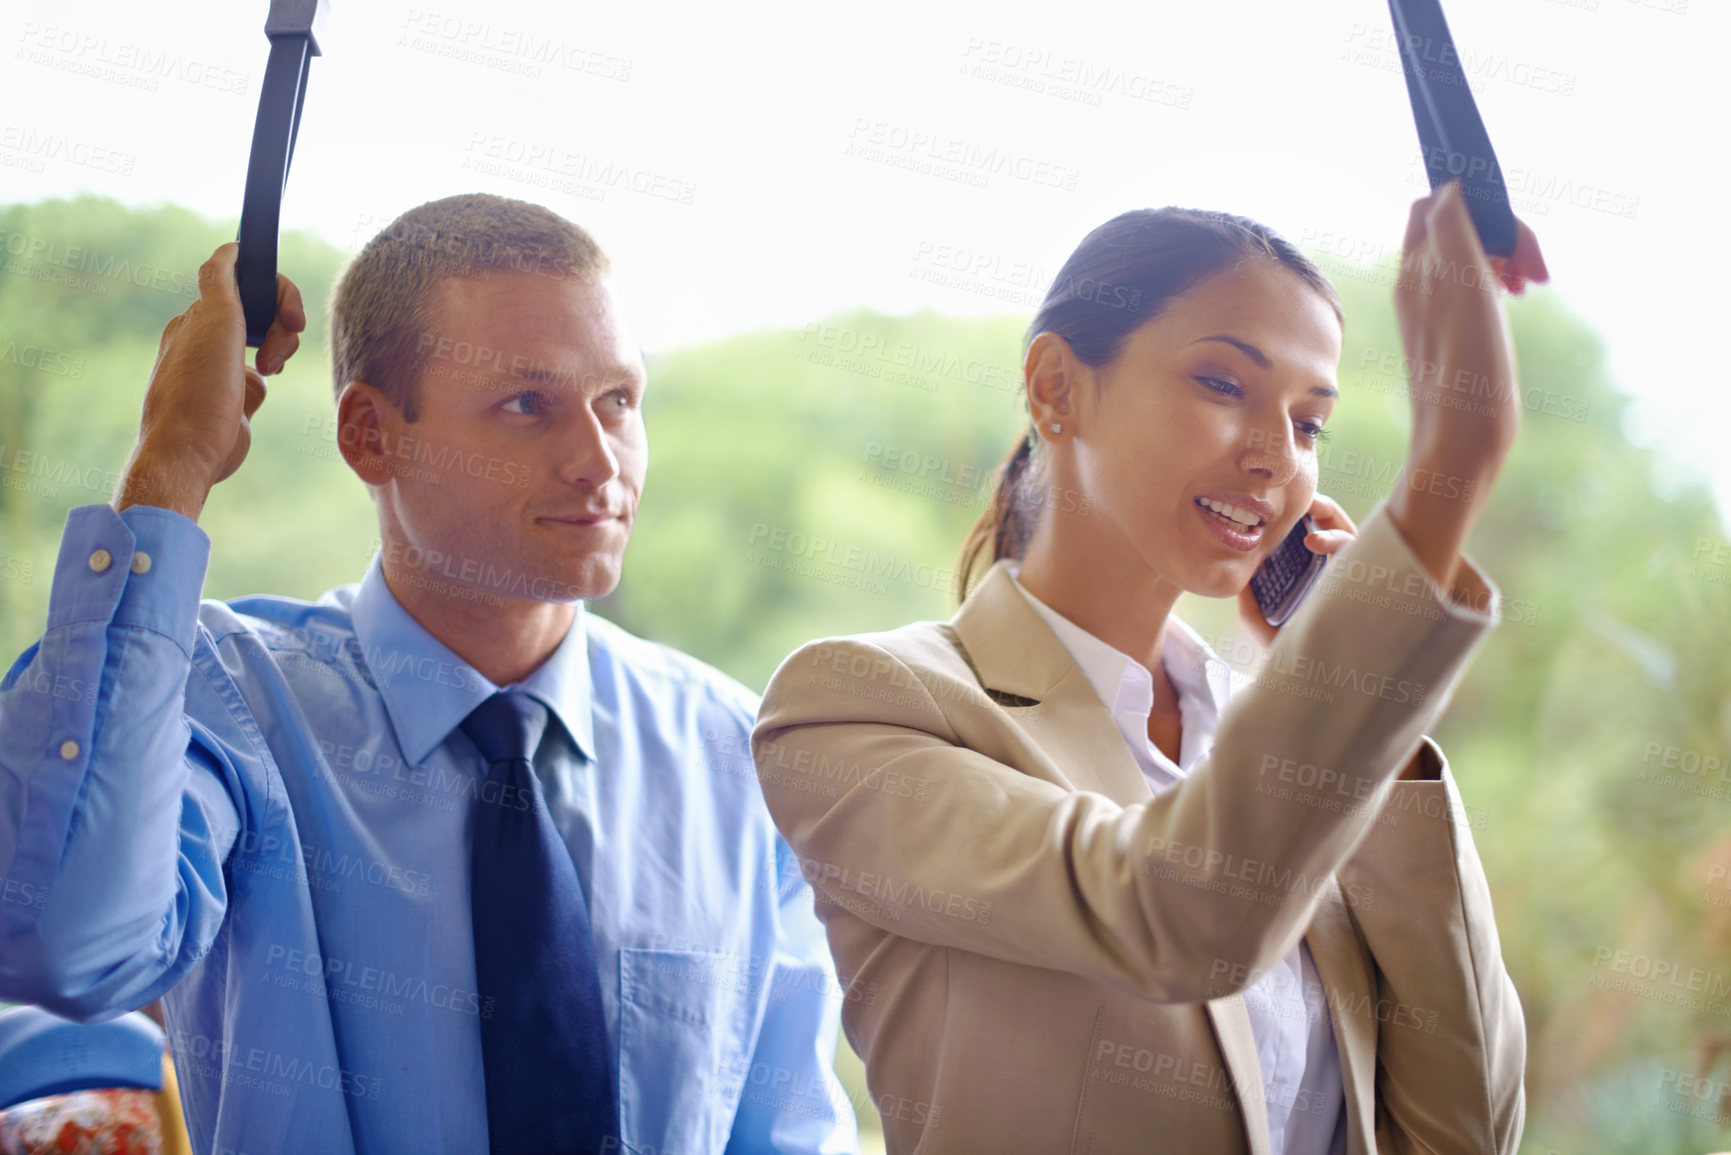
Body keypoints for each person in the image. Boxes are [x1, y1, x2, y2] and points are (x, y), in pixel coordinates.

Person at [0, 193, 859, 1155]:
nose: (596, 459)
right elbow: (66, 944)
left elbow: (777, 1133)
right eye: (527, 404)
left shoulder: (732, 753)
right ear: (369, 434)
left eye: (618, 399)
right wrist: (172, 461)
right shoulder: (227, 702)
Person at [751, 181, 1546, 1154]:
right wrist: (1450, 459)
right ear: (1055, 387)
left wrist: (1369, 727)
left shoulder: (1300, 749)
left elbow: (1468, 1129)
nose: (1274, 456)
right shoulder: (856, 709)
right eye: (1222, 384)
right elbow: (1180, 916)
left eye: (1309, 424)